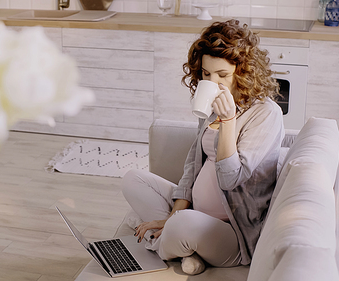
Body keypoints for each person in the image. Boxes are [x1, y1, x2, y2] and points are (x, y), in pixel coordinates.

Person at [121, 19, 284, 275]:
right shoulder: (209, 108)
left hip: (232, 230)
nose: (212, 83)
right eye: (206, 74)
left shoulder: (265, 114)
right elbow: (193, 165)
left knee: (183, 225)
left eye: (223, 75)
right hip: (194, 213)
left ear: (244, 72)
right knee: (133, 179)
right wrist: (173, 215)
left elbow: (231, 179)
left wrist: (229, 120)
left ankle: (163, 242)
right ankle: (186, 247)